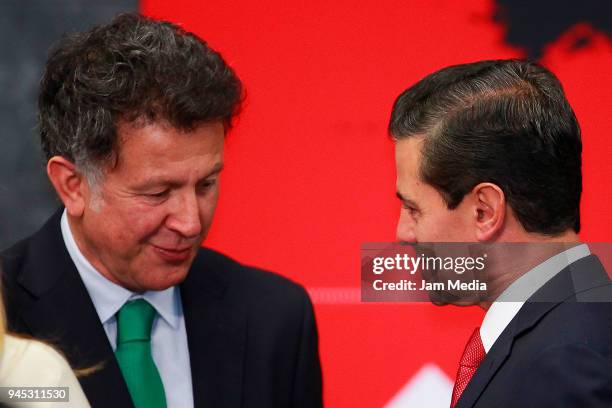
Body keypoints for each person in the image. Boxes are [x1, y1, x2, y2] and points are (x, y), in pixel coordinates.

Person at [1, 13, 322, 408]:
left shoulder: (275, 319)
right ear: (73, 185)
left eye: (206, 184)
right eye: (157, 193)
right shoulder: (5, 320)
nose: (190, 222)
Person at [389, 59, 612, 407]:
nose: (402, 232)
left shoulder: (565, 363)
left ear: (485, 211)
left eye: (414, 208)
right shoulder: (567, 335)